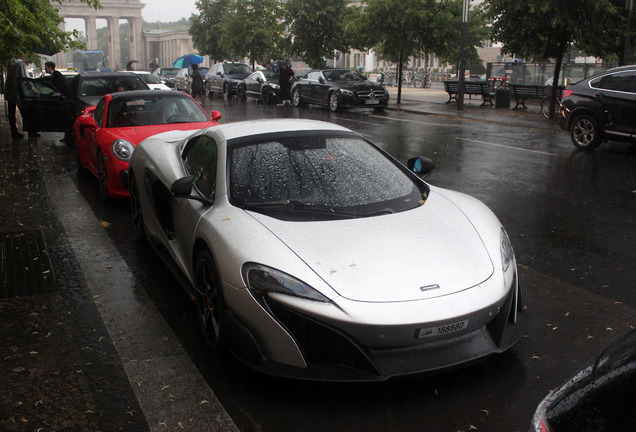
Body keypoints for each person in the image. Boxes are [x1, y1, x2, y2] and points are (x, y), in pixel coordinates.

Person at [4, 54, 27, 139]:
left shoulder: (10, 62)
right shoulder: (20, 64)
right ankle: (31, 130)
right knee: (25, 112)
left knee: (11, 113)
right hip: (19, 92)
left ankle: (14, 132)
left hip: (10, 91)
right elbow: (24, 78)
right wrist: (31, 88)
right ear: (21, 55)